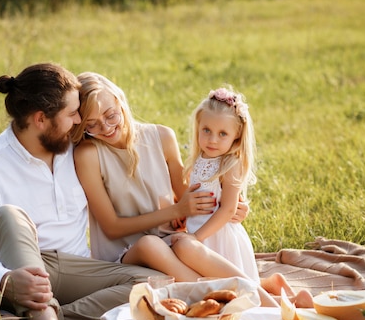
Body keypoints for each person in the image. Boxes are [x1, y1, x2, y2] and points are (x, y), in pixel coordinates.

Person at [0, 63, 164, 320]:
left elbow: (135, 156)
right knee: (9, 216)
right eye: (72, 114)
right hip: (14, 268)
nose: (80, 120)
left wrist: (216, 194)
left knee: (155, 286)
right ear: (41, 119)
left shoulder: (78, 146)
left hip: (71, 270)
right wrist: (6, 280)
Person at [70, 72, 279, 307]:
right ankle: (225, 302)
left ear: (120, 100)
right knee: (151, 244)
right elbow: (111, 226)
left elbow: (190, 197)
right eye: (92, 125)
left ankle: (262, 298)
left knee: (188, 245)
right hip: (124, 254)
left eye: (111, 115)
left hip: (170, 243)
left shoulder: (161, 137)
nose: (106, 127)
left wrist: (230, 206)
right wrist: (174, 211)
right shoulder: (88, 154)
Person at [183, 86, 312, 307]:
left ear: (236, 136)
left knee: (238, 294)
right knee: (217, 291)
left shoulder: (229, 164)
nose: (212, 139)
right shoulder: (198, 159)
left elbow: (228, 209)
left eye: (222, 134)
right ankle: (270, 283)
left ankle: (288, 302)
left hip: (217, 235)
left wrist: (197, 238)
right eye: (206, 130)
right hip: (197, 234)